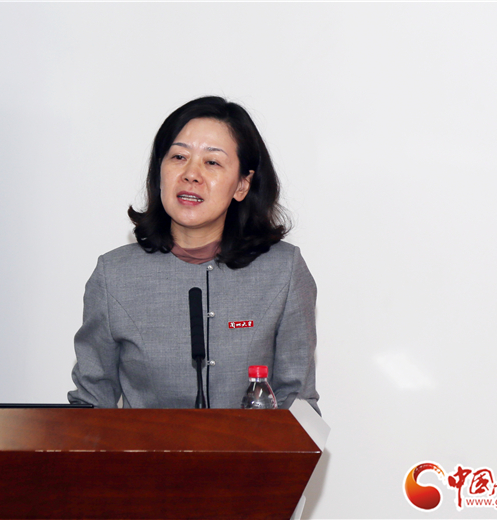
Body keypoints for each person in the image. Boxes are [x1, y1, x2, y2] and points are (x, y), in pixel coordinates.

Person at [67, 96, 319, 414]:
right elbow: (90, 406)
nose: (191, 174)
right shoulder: (114, 274)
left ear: (242, 185)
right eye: (178, 157)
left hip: (251, 449)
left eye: (212, 162)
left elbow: (299, 406)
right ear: (159, 172)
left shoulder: (283, 270)